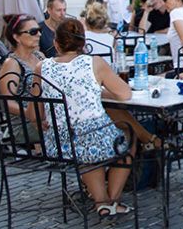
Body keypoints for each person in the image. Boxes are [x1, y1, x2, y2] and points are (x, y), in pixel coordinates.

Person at [31, 18, 135, 217]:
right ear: (83, 42)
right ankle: (110, 201)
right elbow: (125, 94)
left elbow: (34, 111)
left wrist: (40, 122)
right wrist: (100, 89)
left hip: (58, 143)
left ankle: (102, 202)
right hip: (91, 138)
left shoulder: (41, 67)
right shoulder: (94, 62)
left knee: (86, 150)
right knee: (127, 141)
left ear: (56, 43)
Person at [0, 14, 46, 143]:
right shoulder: (12, 63)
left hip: (48, 115)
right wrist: (32, 116)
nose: (39, 35)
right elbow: (8, 103)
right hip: (25, 125)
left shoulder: (40, 56)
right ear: (16, 37)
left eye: (39, 30)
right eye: (33, 32)